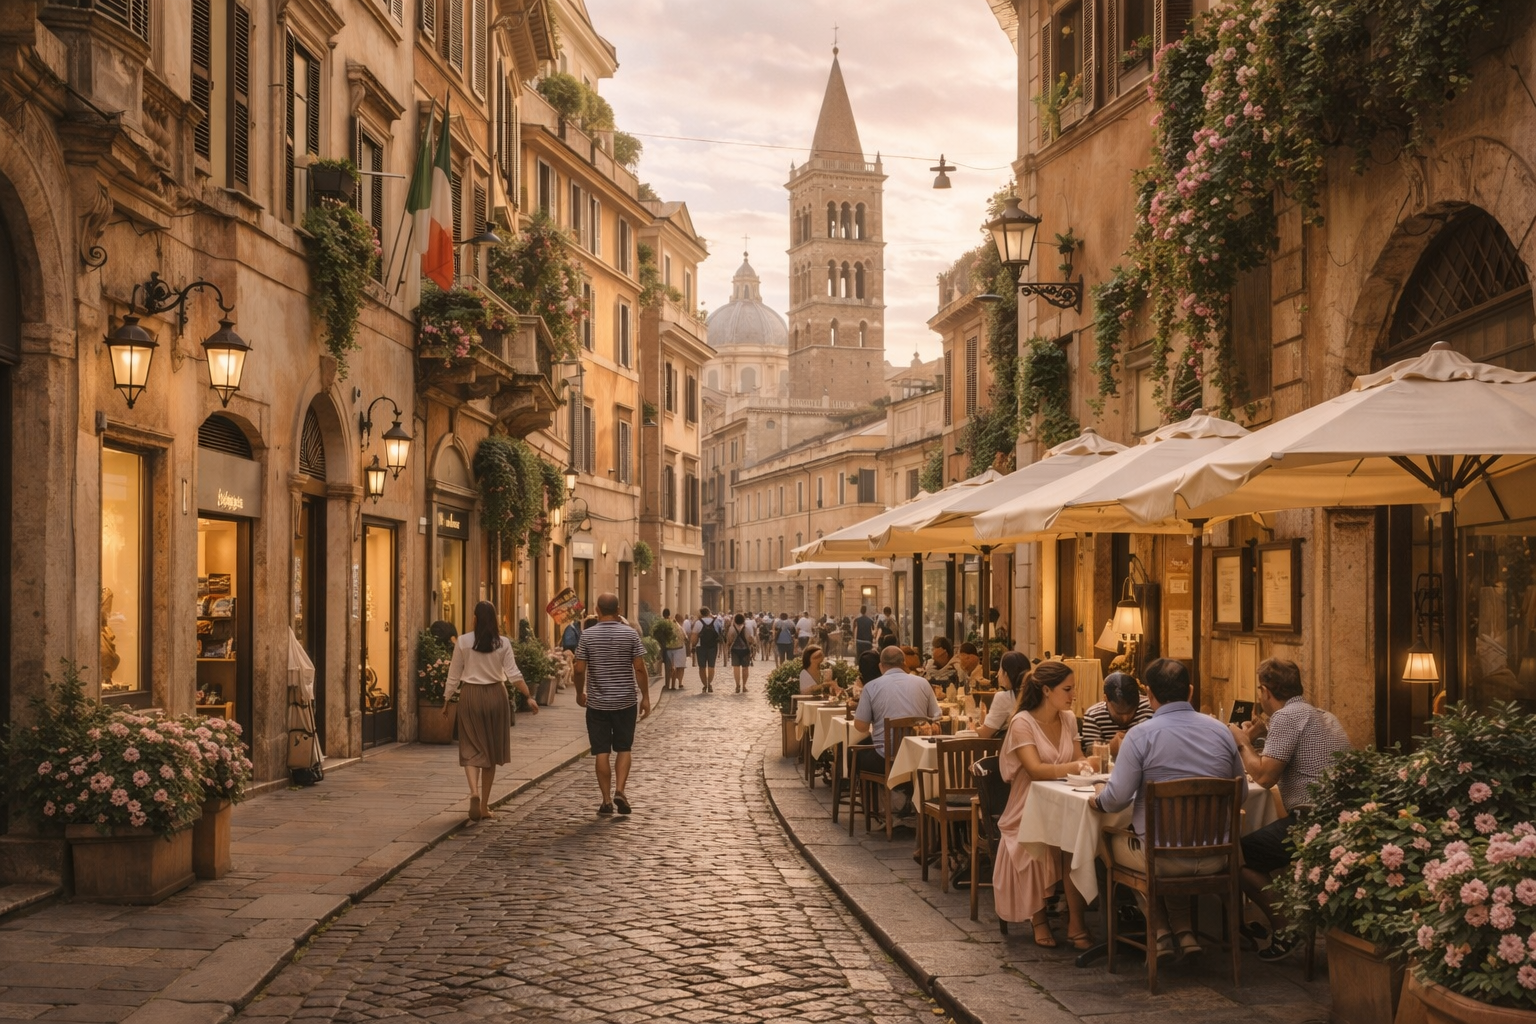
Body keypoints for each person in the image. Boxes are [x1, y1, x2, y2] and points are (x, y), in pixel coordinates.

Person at [1089, 658, 1247, 960]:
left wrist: (1097, 796)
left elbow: (1116, 799)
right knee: (1160, 845)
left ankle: (1159, 932)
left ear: (1149, 695)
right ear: (1190, 691)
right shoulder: (1222, 731)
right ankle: (1184, 934)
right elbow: (1240, 794)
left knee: (1105, 843)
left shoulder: (1141, 735)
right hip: (1217, 855)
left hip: (1161, 859)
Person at [1229, 657, 1352, 961]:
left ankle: (1286, 929)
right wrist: (1259, 733)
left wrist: (1242, 742)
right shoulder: (1322, 715)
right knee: (1262, 844)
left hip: (1313, 824)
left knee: (1236, 855)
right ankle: (1279, 918)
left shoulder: (1287, 717)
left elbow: (1263, 777)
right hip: (1344, 821)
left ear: (1265, 690)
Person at [992, 660, 1098, 948]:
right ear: (1046, 690)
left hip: (1064, 797)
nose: (1073, 695)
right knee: (1037, 842)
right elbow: (1035, 770)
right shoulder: (1021, 722)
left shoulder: (1068, 719)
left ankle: (1076, 922)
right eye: (1067, 689)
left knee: (1074, 844)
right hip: (1028, 802)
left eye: (1073, 688)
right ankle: (1039, 919)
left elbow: (1078, 759)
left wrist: (1082, 766)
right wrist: (1077, 766)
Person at [442, 601, 537, 823]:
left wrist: (446, 700)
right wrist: (528, 696)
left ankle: (473, 791)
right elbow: (513, 674)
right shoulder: (502, 643)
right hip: (496, 696)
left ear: (475, 619)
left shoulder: (464, 641)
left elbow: (454, 674)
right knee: (491, 751)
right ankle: (484, 805)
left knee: (470, 747)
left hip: (470, 697)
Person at [573, 593, 651, 816]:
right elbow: (639, 667)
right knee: (624, 748)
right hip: (625, 701)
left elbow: (579, 669)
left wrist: (580, 693)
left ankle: (606, 800)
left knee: (601, 751)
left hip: (597, 703)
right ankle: (620, 790)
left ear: (597, 610)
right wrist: (645, 696)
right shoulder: (630, 634)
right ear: (619, 609)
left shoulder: (587, 636)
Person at [851, 646, 940, 813]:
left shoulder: (871, 687)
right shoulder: (923, 683)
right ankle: (903, 798)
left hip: (886, 757)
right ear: (904, 663)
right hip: (916, 757)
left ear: (881, 666)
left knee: (856, 756)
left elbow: (861, 726)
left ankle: (876, 808)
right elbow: (935, 716)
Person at [1078, 672, 1154, 756]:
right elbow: (1089, 753)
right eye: (1119, 713)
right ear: (1106, 699)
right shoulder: (1093, 715)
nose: (1125, 718)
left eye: (1130, 712)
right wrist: (1111, 748)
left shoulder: (1150, 707)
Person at [978, 650, 1027, 739]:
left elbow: (985, 734)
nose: (998, 674)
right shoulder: (1034, 693)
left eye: (1000, 670)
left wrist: (972, 728)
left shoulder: (1005, 697)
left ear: (1006, 673)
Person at [691, 606, 724, 693]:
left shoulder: (698, 623)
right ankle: (709, 683)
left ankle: (705, 685)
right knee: (711, 666)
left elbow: (694, 637)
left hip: (701, 647)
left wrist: (693, 646)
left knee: (702, 667)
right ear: (709, 613)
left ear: (701, 614)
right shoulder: (716, 622)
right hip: (713, 647)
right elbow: (721, 632)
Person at [726, 612, 755, 693]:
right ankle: (744, 686)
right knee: (745, 668)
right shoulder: (747, 628)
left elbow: (730, 640)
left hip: (735, 650)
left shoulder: (732, 628)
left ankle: (737, 685)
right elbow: (750, 640)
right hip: (745, 650)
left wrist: (728, 647)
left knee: (736, 668)